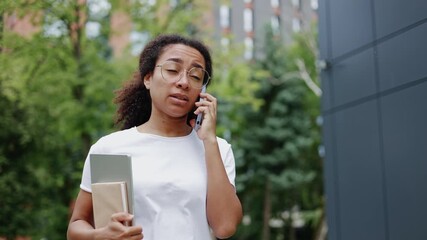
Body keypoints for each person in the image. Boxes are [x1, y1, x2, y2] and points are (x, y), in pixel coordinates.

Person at [67, 34, 243, 240]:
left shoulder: (217, 150)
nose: (184, 82)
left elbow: (225, 227)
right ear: (148, 78)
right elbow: (76, 226)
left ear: (202, 91)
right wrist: (100, 236)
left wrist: (209, 140)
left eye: (195, 76)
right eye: (172, 70)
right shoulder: (110, 148)